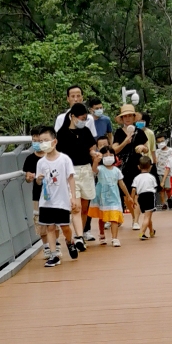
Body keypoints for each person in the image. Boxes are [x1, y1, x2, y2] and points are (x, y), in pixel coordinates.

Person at [26, 128, 81, 267]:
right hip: (46, 201)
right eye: (40, 141)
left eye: (46, 140)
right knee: (50, 227)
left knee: (64, 227)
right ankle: (54, 254)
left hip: (61, 200)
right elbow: (38, 181)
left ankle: (70, 242)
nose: (43, 144)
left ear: (54, 141)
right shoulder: (41, 162)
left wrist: (73, 197)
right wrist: (38, 179)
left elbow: (71, 178)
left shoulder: (64, 159)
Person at [56, 101, 95, 250]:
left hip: (86, 170)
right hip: (71, 172)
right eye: (81, 118)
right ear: (72, 116)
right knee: (76, 206)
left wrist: (94, 155)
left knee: (85, 207)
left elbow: (91, 147)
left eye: (85, 118)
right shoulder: (62, 133)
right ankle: (78, 237)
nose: (83, 121)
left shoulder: (86, 132)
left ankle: (82, 232)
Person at [111, 104, 151, 228]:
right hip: (123, 167)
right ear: (122, 119)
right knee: (127, 195)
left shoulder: (140, 132)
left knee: (137, 193)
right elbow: (115, 150)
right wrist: (125, 142)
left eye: (130, 116)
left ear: (134, 118)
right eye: (125, 116)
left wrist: (143, 148)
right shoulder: (118, 132)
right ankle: (134, 216)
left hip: (137, 166)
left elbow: (147, 148)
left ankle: (136, 220)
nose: (127, 118)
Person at [90, 140, 125, 245]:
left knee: (114, 217)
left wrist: (128, 196)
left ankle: (115, 238)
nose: (109, 156)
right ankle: (102, 233)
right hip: (101, 196)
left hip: (114, 196)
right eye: (105, 155)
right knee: (102, 217)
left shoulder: (117, 171)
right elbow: (94, 169)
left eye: (111, 154)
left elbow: (121, 184)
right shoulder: (100, 169)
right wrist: (96, 160)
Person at [132, 160, 158, 239]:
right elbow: (155, 187)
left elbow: (133, 189)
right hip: (150, 196)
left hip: (141, 197)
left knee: (147, 215)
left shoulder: (136, 177)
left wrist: (132, 199)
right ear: (150, 166)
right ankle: (142, 233)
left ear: (138, 167)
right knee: (147, 217)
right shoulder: (151, 177)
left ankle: (151, 231)